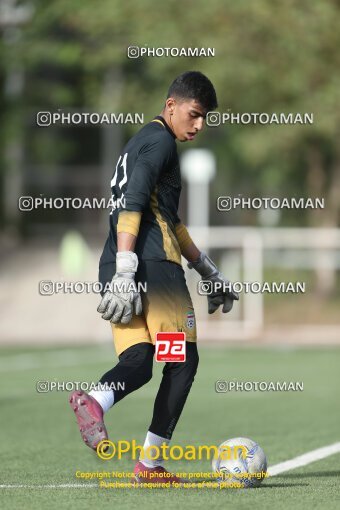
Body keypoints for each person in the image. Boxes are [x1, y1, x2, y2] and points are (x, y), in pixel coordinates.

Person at [69, 71, 238, 485]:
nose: (198, 125)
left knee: (139, 361)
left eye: (204, 119)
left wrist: (207, 271)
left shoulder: (139, 143)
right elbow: (137, 198)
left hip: (115, 265)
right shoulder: (161, 141)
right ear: (171, 106)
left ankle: (95, 399)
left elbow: (169, 219)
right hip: (150, 267)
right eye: (194, 114)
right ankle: (149, 464)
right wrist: (130, 267)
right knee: (182, 360)